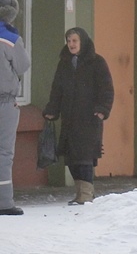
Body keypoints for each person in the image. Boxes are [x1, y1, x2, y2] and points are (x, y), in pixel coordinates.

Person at [42, 27, 114, 206]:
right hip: (70, 117)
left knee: (85, 156)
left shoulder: (97, 62)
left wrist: (102, 109)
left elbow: (106, 89)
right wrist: (52, 109)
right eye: (68, 41)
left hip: (89, 117)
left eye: (74, 41)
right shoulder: (64, 63)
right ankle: (80, 193)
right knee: (72, 157)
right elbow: (56, 89)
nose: (71, 44)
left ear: (82, 41)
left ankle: (86, 194)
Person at [0, 0, 31, 216]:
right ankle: (4, 202)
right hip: (4, 101)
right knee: (3, 152)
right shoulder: (10, 37)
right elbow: (23, 65)